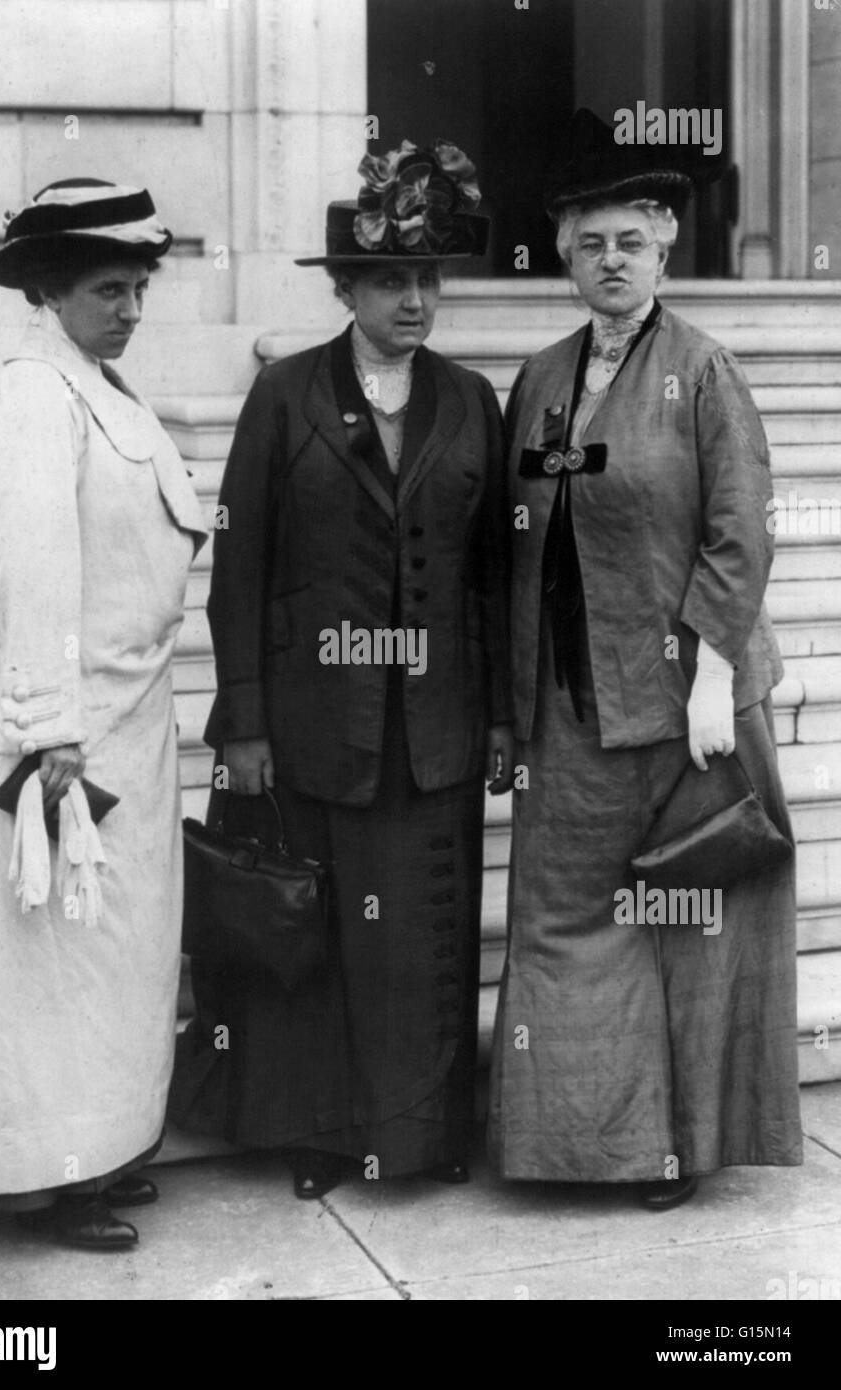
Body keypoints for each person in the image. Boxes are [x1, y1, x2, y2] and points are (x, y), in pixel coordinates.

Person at [169, 140, 514, 1198]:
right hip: (320, 721)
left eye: (427, 281)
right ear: (347, 288)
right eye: (390, 281)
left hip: (439, 724)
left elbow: (494, 576)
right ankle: (323, 1138)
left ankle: (425, 1135)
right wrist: (247, 722)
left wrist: (501, 716)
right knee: (325, 936)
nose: (415, 300)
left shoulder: (471, 401)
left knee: (423, 937)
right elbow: (240, 564)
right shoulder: (286, 397)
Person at [489, 111, 803, 1209]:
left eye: (630, 240)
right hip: (570, 711)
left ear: (665, 245)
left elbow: (742, 525)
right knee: (567, 921)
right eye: (589, 244)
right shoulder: (536, 380)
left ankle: (677, 1147)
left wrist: (715, 670)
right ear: (564, 255)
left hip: (686, 707)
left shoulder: (706, 373)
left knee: (683, 925)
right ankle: (570, 1143)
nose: (610, 261)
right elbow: (511, 541)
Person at [0, 179, 208, 1248]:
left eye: (138, 285)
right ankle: (40, 1178)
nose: (129, 305)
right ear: (46, 288)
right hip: (65, 728)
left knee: (116, 953)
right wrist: (49, 734)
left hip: (127, 711)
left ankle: (103, 1148)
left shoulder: (102, 386)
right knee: (59, 952)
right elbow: (34, 570)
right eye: (105, 286)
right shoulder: (38, 393)